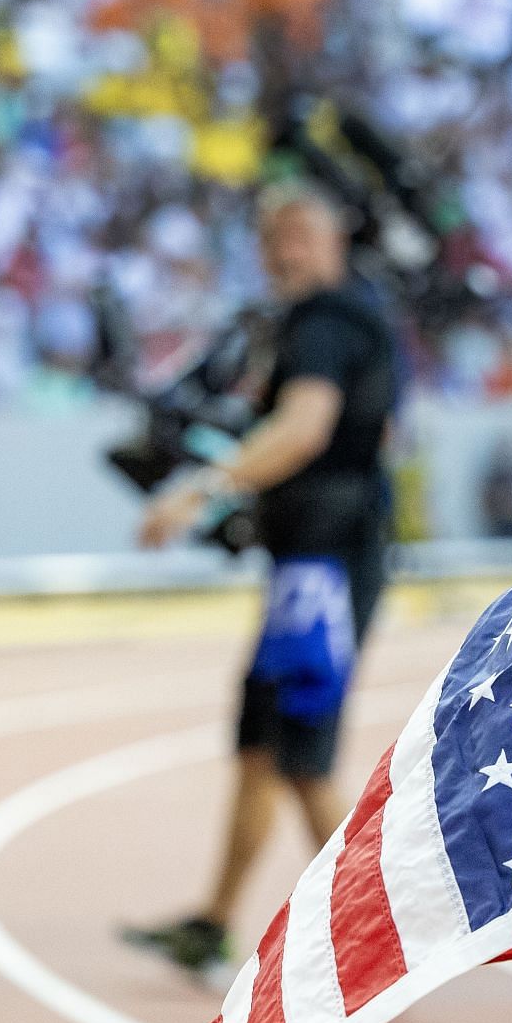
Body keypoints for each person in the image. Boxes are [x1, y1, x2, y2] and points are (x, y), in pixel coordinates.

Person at [123, 181, 398, 977]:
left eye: (301, 233)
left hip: (325, 565)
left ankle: (377, 940)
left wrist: (204, 490)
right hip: (309, 560)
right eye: (274, 237)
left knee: (303, 755)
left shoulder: (324, 322)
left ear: (336, 239)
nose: (284, 252)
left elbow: (304, 428)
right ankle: (214, 922)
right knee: (260, 746)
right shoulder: (351, 318)